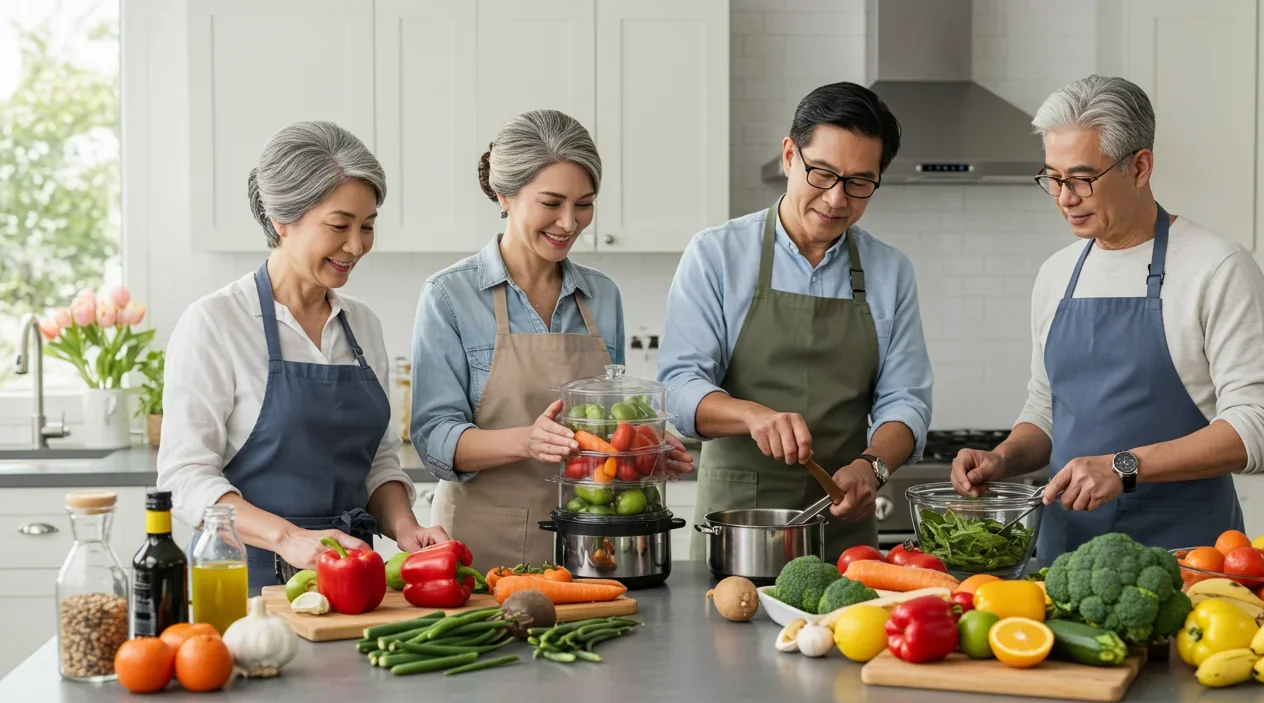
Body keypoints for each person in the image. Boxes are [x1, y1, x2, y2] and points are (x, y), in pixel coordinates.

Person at [951, 75, 1264, 561]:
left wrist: (1123, 466)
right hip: (1066, 559)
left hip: (1187, 562)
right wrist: (1002, 458)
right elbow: (1047, 410)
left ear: (1140, 167)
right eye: (1053, 178)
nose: (1065, 196)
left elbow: (1259, 429)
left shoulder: (1216, 267)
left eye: (1082, 178)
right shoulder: (1057, 273)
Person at [158, 121, 451, 594]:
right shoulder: (216, 323)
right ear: (282, 221)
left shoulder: (362, 325)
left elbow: (377, 460)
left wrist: (403, 527)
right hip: (244, 582)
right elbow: (185, 476)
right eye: (338, 226)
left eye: (368, 226)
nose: (356, 246)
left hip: (354, 579)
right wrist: (289, 538)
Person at [657, 82, 933, 562]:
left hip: (842, 526)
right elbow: (679, 389)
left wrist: (872, 467)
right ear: (790, 156)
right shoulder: (717, 254)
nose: (836, 200)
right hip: (739, 526)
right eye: (822, 173)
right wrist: (752, 415)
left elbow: (905, 402)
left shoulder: (891, 271)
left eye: (859, 183)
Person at [410, 109, 693, 571]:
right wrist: (527, 441)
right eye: (551, 202)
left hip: (589, 540)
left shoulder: (601, 295)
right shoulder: (450, 294)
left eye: (584, 203)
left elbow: (605, 424)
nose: (569, 221)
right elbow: (434, 438)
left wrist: (645, 451)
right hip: (482, 548)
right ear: (505, 195)